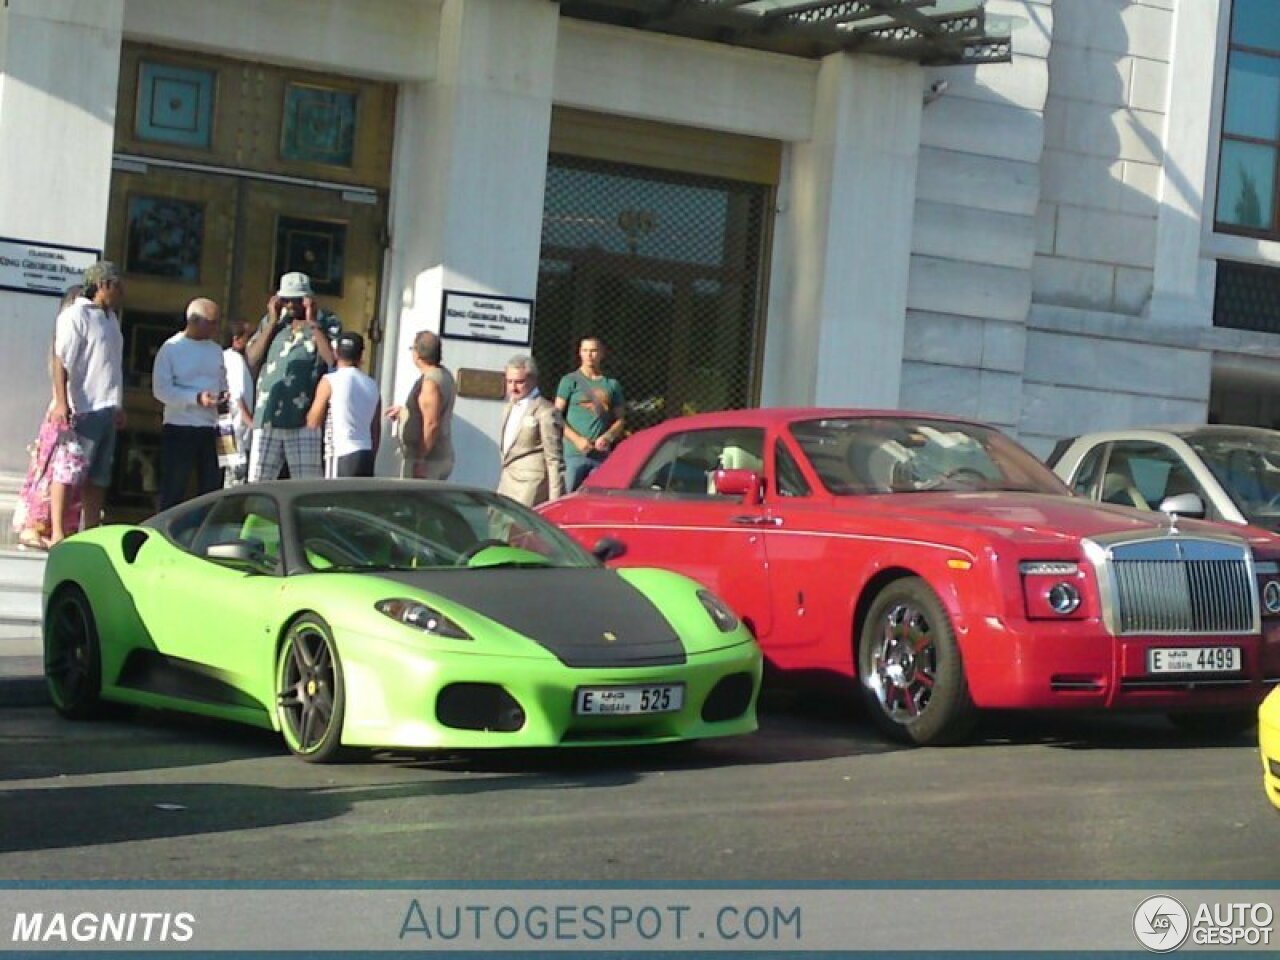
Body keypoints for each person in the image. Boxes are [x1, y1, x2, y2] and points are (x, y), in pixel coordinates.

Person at [49, 261, 126, 544]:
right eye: (118, 285)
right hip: (82, 406)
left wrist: (118, 404)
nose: (122, 292)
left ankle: (90, 531)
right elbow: (61, 359)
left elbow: (112, 365)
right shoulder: (76, 315)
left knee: (99, 476)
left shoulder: (111, 319)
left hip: (107, 405)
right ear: (104, 285)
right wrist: (61, 402)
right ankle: (58, 530)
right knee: (68, 471)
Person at [13, 287, 88, 550]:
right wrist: (63, 403)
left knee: (63, 472)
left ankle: (59, 527)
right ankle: (41, 526)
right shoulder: (66, 333)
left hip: (71, 409)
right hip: (64, 410)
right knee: (56, 470)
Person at [244, 271, 337, 482]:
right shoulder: (274, 322)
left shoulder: (327, 321)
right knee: (258, 483)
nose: (290, 305)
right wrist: (271, 322)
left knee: (306, 484)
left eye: (296, 300)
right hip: (268, 416)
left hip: (303, 418)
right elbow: (252, 357)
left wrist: (313, 322)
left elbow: (331, 359)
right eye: (286, 299)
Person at [152, 298, 227, 510]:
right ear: (195, 321)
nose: (216, 328)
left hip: (212, 428)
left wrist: (223, 397)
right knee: (174, 488)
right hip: (180, 426)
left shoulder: (215, 350)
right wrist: (195, 398)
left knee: (211, 490)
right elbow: (161, 390)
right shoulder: (171, 349)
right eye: (212, 322)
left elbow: (221, 381)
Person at [555, 334, 626, 492]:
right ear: (579, 353)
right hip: (573, 453)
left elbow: (620, 420)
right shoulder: (569, 381)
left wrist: (608, 436)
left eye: (593, 350)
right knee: (567, 497)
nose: (589, 355)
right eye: (585, 350)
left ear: (601, 353)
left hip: (600, 455)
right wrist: (577, 440)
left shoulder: (612, 385)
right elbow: (557, 416)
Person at [306, 331, 381, 477]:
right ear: (361, 356)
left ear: (336, 353)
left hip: (340, 453)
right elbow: (375, 428)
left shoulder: (329, 381)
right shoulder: (372, 385)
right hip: (365, 453)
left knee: (334, 498)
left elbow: (313, 421)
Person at [496, 355, 564, 507]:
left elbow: (554, 460)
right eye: (509, 381)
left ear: (533, 380)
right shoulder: (508, 407)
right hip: (506, 482)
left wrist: (555, 502)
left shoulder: (546, 411)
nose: (513, 387)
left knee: (520, 529)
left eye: (519, 382)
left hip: (530, 486)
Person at [388, 330, 455, 480]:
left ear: (418, 354)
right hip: (438, 456)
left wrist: (420, 459)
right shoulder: (445, 375)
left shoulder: (430, 382)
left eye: (413, 348)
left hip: (429, 461)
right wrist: (404, 413)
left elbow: (431, 424)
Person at [222, 319, 256, 487]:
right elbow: (237, 394)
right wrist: (251, 422)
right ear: (237, 340)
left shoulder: (228, 359)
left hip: (228, 429)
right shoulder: (234, 360)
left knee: (230, 478)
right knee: (236, 478)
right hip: (235, 431)